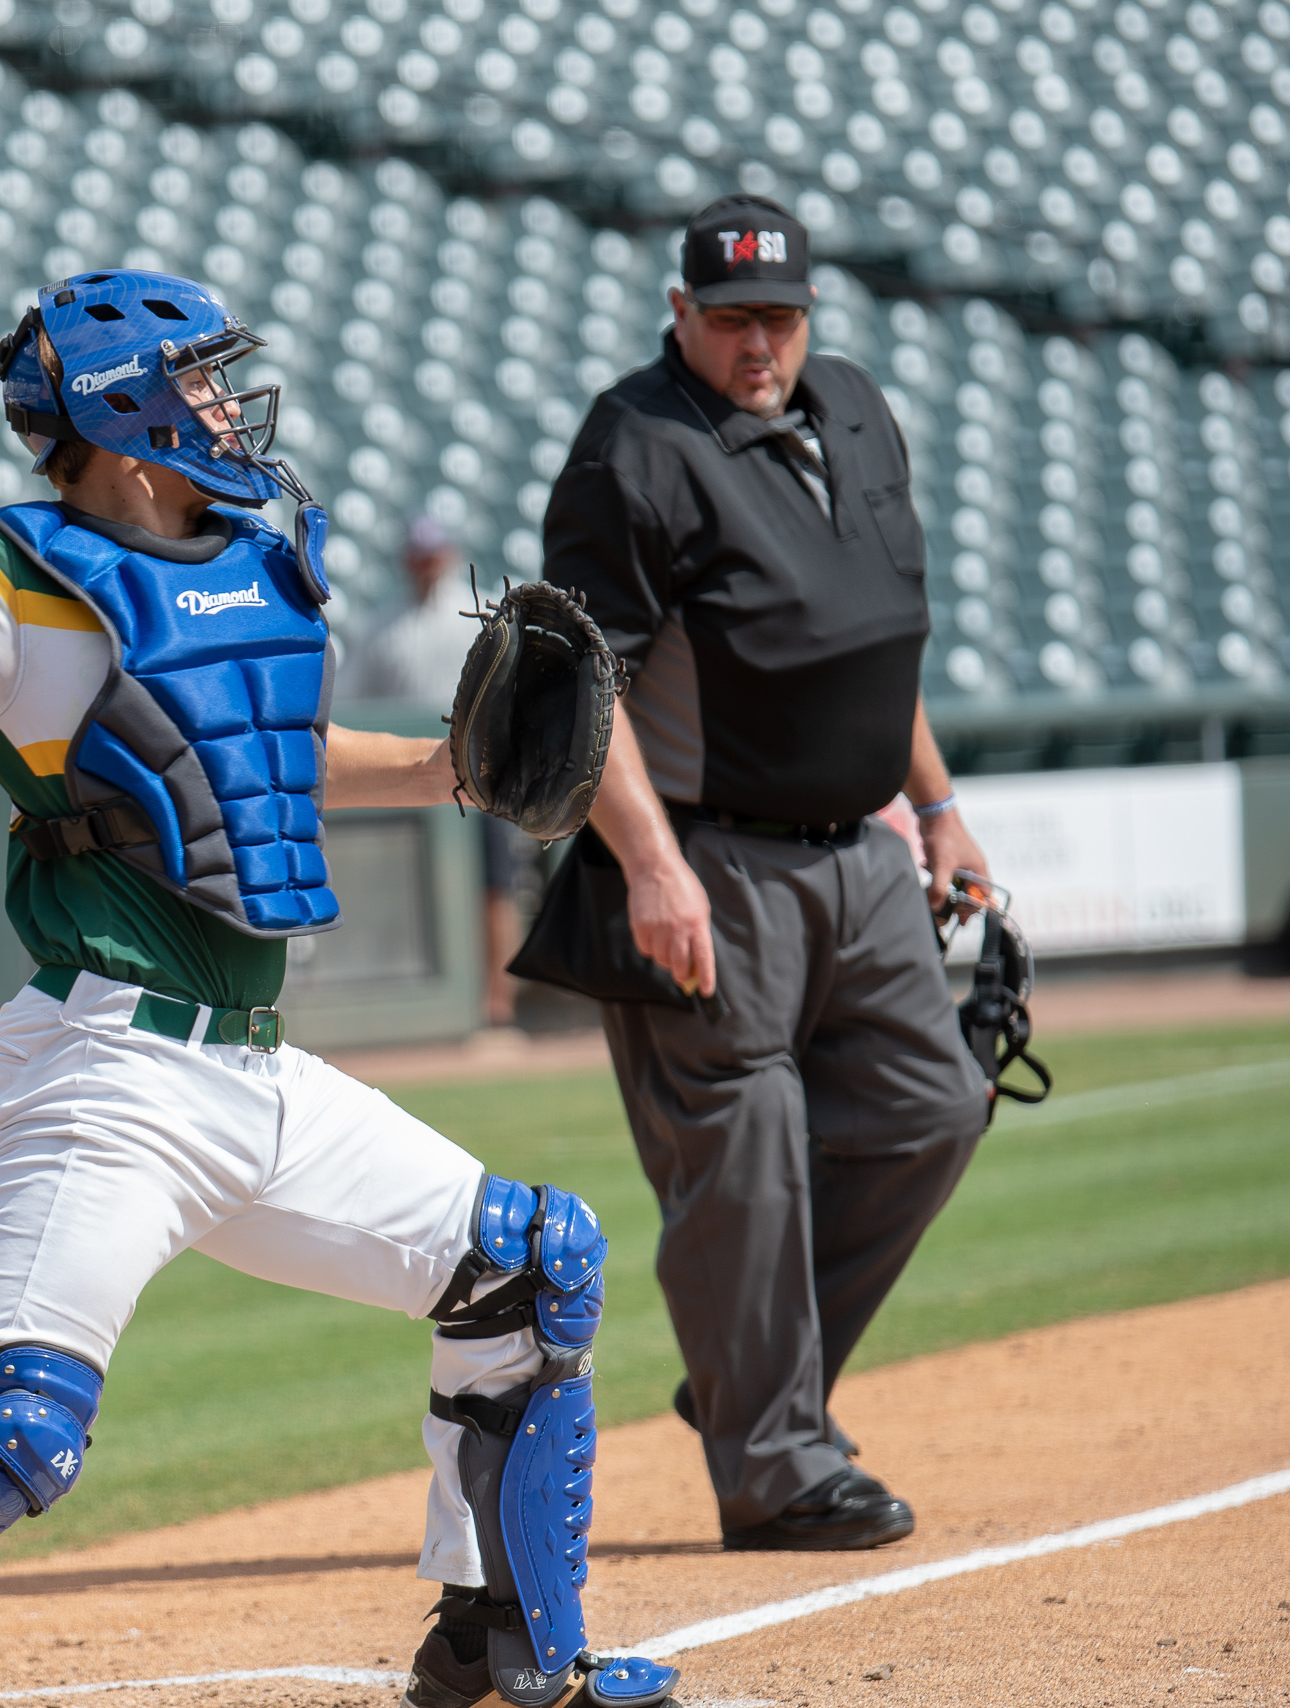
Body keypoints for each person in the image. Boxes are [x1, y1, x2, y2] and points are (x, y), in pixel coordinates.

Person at [0, 158, 678, 1708]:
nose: (231, 407)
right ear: (130, 421)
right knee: (6, 1431)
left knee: (532, 1266)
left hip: (259, 1079)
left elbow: (256, 754)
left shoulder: (252, 565)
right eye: (203, 384)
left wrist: (444, 771)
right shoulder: (9, 588)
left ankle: (508, 1650)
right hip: (111, 1080)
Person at [540, 194, 993, 1552]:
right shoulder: (633, 449)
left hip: (864, 849)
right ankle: (775, 1467)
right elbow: (582, 688)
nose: (759, 345)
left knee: (933, 1108)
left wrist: (940, 807)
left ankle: (749, 1382)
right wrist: (650, 866)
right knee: (741, 1163)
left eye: (780, 319)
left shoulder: (850, 405)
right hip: (712, 861)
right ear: (679, 313)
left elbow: (874, 638)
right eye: (732, 319)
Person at [347, 516, 532, 1032]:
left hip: (482, 767)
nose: (426, 563)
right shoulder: (383, 626)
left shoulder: (479, 615)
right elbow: (356, 703)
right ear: (407, 558)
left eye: (433, 553)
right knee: (423, 890)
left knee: (495, 886)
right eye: (419, 554)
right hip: (412, 770)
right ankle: (428, 1008)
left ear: (448, 554)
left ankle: (497, 1005)